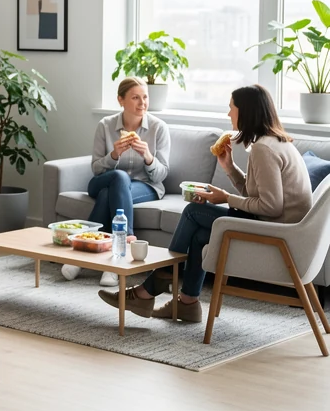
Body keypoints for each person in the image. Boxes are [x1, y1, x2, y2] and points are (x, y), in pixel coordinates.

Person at [100, 84, 313, 323]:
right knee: (200, 235)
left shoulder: (264, 149)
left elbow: (271, 207)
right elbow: (257, 194)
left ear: (246, 111)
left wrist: (226, 198)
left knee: (193, 211)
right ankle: (187, 303)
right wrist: (230, 168)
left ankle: (156, 281)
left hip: (276, 232)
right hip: (279, 226)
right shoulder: (271, 143)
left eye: (231, 108)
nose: (228, 114)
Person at [62, 76, 170, 287]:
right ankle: (125, 240)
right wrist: (114, 155)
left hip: (146, 185)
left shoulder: (159, 128)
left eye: (145, 97)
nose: (142, 103)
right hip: (103, 181)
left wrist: (148, 156)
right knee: (119, 177)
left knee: (108, 195)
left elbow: (160, 175)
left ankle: (84, 257)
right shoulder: (105, 125)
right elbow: (96, 168)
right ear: (121, 100)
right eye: (135, 98)